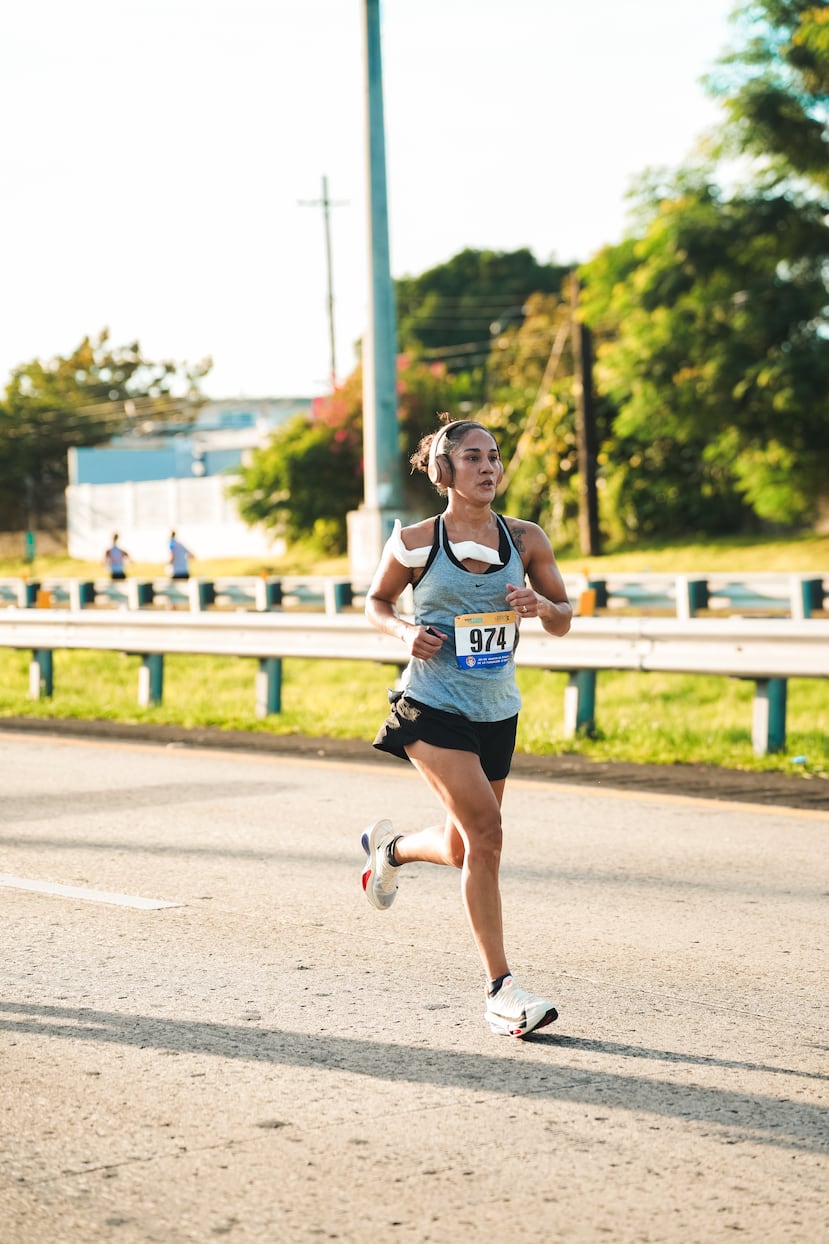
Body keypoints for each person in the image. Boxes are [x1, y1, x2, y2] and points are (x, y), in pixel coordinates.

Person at [361, 414, 573, 1038]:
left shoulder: (526, 538)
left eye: (494, 456)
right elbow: (376, 602)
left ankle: (390, 851)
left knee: (461, 848)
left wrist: (542, 607)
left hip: (496, 710)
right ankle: (500, 990)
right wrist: (405, 631)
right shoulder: (418, 541)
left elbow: (564, 617)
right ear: (444, 471)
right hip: (430, 707)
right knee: (488, 834)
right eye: (473, 457)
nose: (488, 467)